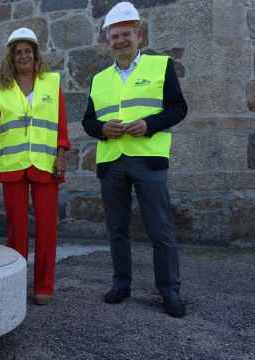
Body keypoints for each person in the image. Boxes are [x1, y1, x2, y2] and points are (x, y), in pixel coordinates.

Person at [81, 2, 188, 318]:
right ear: (108, 41)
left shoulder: (161, 67)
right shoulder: (100, 79)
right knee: (117, 228)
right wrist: (101, 129)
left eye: (126, 34)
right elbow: (88, 121)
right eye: (114, 36)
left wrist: (149, 124)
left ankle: (169, 290)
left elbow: (178, 108)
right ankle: (121, 284)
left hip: (148, 158)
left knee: (160, 229)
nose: (120, 41)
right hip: (112, 161)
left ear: (138, 35)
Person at [0, 28, 70, 305]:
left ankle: (44, 286)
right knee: (16, 229)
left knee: (47, 228)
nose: (23, 55)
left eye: (27, 50)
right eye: (17, 51)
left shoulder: (51, 82)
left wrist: (61, 154)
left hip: (45, 164)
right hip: (12, 165)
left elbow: (60, 122)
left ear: (35, 54)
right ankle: (16, 284)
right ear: (11, 56)